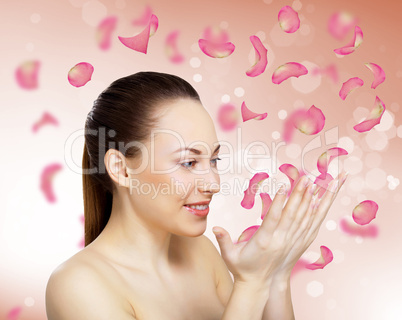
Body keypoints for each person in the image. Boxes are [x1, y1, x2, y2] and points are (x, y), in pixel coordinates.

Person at [45, 71, 347, 319]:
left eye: (213, 160)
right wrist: (251, 284)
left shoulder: (200, 252)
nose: (213, 183)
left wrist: (276, 274)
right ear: (121, 169)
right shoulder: (78, 285)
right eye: (189, 162)